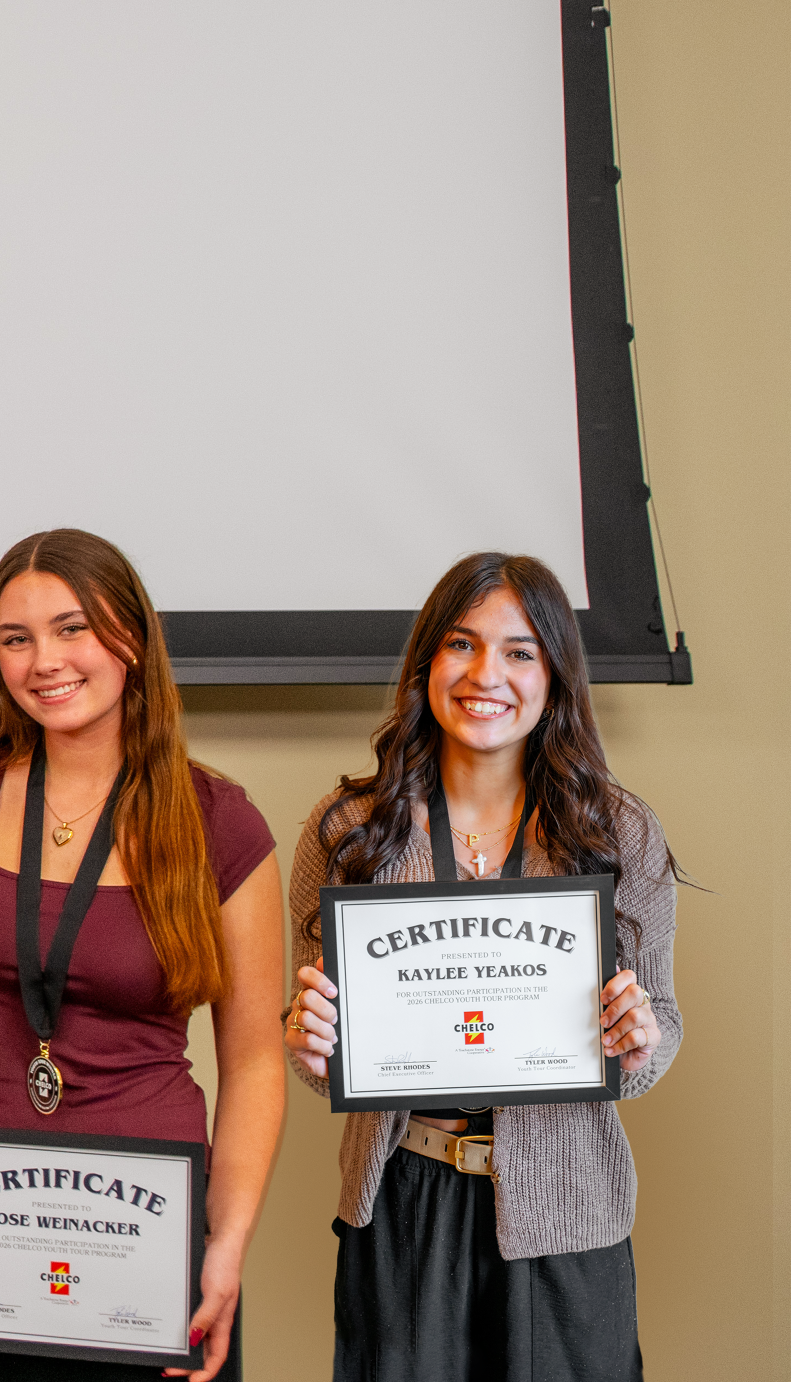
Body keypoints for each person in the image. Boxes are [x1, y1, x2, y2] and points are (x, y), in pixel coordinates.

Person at [0, 529, 282, 1381]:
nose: (44, 662)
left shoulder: (222, 822)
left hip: (147, 1234)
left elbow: (254, 1062)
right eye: (15, 638)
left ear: (130, 637)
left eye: (72, 629)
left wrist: (226, 1238)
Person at [285, 552, 677, 1381]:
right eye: (461, 644)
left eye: (519, 652)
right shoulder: (349, 831)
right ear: (427, 661)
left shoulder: (619, 833)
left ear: (555, 676)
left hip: (568, 1213)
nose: (485, 675)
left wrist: (640, 1042)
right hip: (401, 1205)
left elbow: (660, 1029)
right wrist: (311, 1045)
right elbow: (321, 1057)